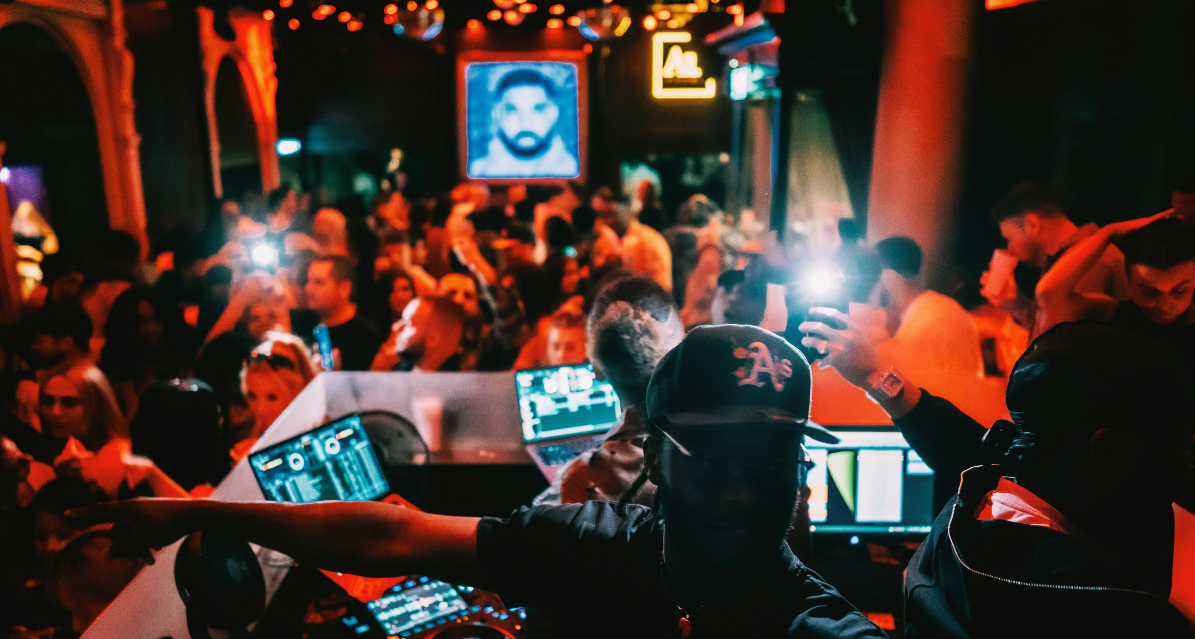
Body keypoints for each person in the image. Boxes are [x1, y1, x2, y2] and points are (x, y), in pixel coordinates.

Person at [75, 324, 885, 638]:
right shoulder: (590, 543)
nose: (748, 487)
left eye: (774, 459)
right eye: (716, 458)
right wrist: (196, 513)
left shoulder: (817, 627)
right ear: (656, 457)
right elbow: (394, 534)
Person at [800, 313, 1195, 637]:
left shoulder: (970, 516)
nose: (1184, 468)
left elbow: (967, 447)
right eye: (1177, 449)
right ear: (1110, 452)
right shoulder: (1120, 614)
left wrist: (876, 376)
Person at [537, 275, 685, 507]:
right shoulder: (719, 447)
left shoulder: (580, 483)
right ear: (681, 352)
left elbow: (531, 521)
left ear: (596, 368)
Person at [868, 236, 1006, 427]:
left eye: (871, 277)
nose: (868, 288)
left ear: (889, 278)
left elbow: (917, 405)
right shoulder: (944, 307)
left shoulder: (921, 327)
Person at [1035, 214, 1194, 371]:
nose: (1165, 305)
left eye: (1180, 291)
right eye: (1150, 292)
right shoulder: (1112, 312)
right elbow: (1048, 294)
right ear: (1129, 278)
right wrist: (1109, 232)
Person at [990, 181, 1128, 336]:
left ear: (1032, 224)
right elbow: (1051, 328)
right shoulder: (1062, 257)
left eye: (1009, 238)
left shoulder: (1090, 260)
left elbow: (1063, 339)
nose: (1010, 248)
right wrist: (1011, 301)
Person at [467, 69, 579, 179]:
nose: (526, 123)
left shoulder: (575, 171)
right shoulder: (475, 172)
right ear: (496, 115)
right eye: (512, 110)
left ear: (554, 113)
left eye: (538, 109)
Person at [304, 256, 385, 372]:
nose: (308, 288)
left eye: (318, 282)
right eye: (308, 280)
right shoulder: (305, 328)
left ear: (344, 289)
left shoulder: (367, 339)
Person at [594, 189, 673, 293]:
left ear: (627, 210)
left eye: (610, 213)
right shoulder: (603, 242)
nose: (606, 221)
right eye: (601, 215)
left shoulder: (650, 240)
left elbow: (663, 288)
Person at [372, 296, 466, 373]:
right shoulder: (395, 370)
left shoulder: (457, 388)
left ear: (433, 339)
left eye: (409, 323)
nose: (396, 327)